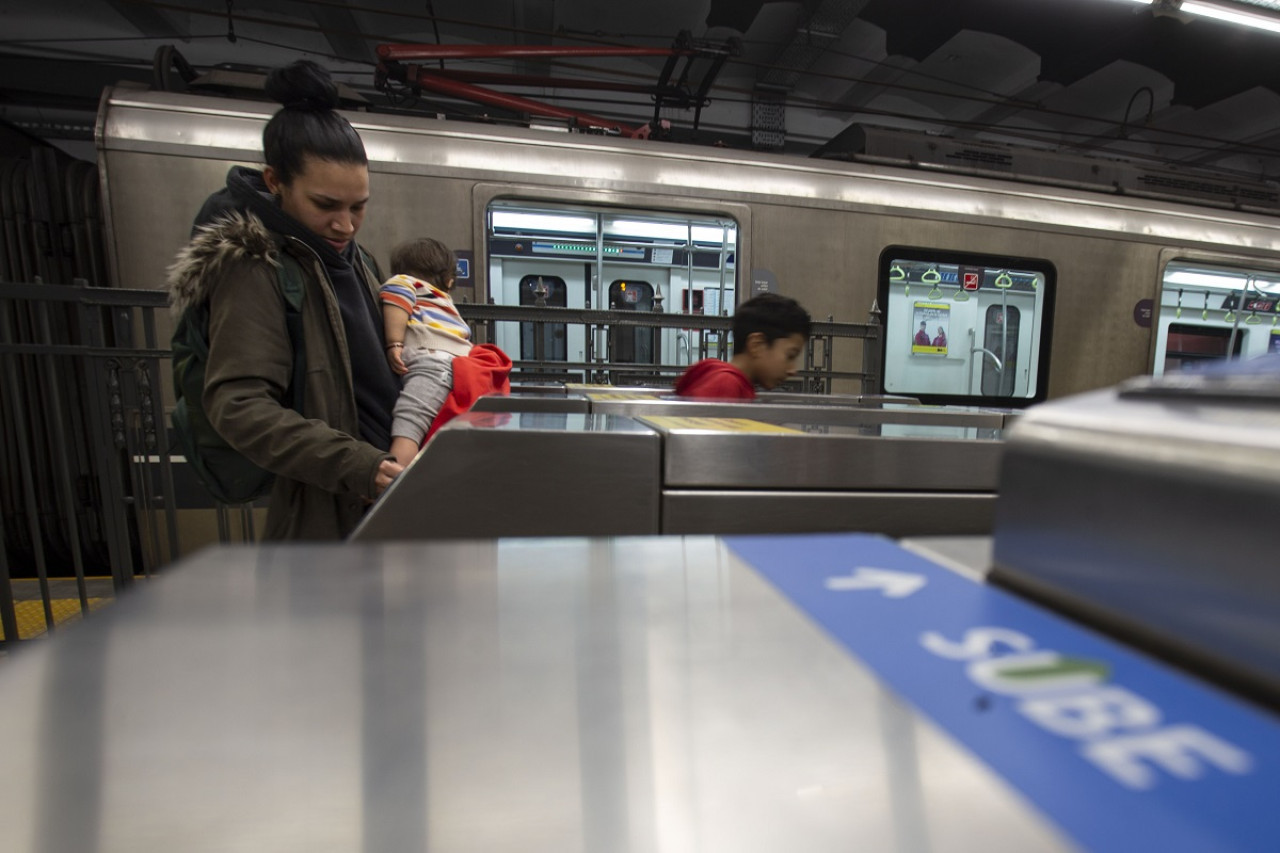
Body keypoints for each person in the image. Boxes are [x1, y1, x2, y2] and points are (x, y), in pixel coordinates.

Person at [167, 59, 402, 539]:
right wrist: (358, 465)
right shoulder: (255, 267)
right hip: (329, 509)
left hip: (383, 492)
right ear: (275, 182)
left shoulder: (357, 260)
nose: (345, 225)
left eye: (358, 207)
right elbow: (237, 404)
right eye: (325, 205)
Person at [380, 238, 474, 467]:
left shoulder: (404, 282)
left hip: (431, 361)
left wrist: (394, 343)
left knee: (410, 423)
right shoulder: (442, 299)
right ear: (449, 280)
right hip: (453, 366)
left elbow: (396, 303)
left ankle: (395, 476)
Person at [674, 293, 811, 399]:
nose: (793, 370)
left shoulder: (732, 383)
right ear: (757, 345)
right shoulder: (725, 386)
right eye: (790, 356)